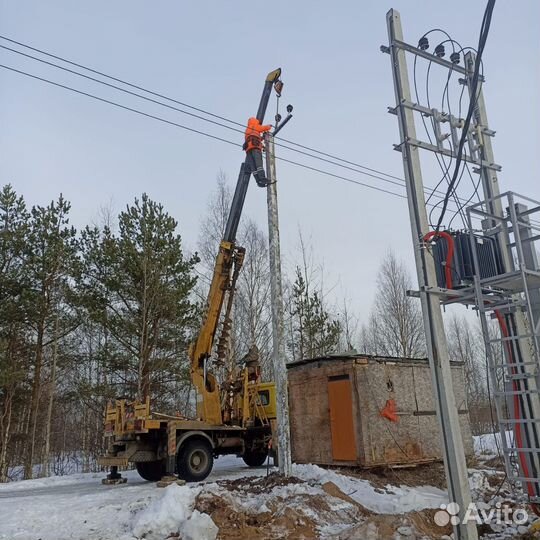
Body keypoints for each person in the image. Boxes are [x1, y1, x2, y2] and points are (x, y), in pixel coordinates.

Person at [243, 117, 272, 187]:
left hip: (248, 150)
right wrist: (269, 126)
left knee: (254, 167)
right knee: (259, 164)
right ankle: (262, 178)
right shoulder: (255, 126)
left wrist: (262, 140)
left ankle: (258, 181)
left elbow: (254, 139)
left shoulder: (247, 130)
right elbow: (263, 128)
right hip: (255, 148)